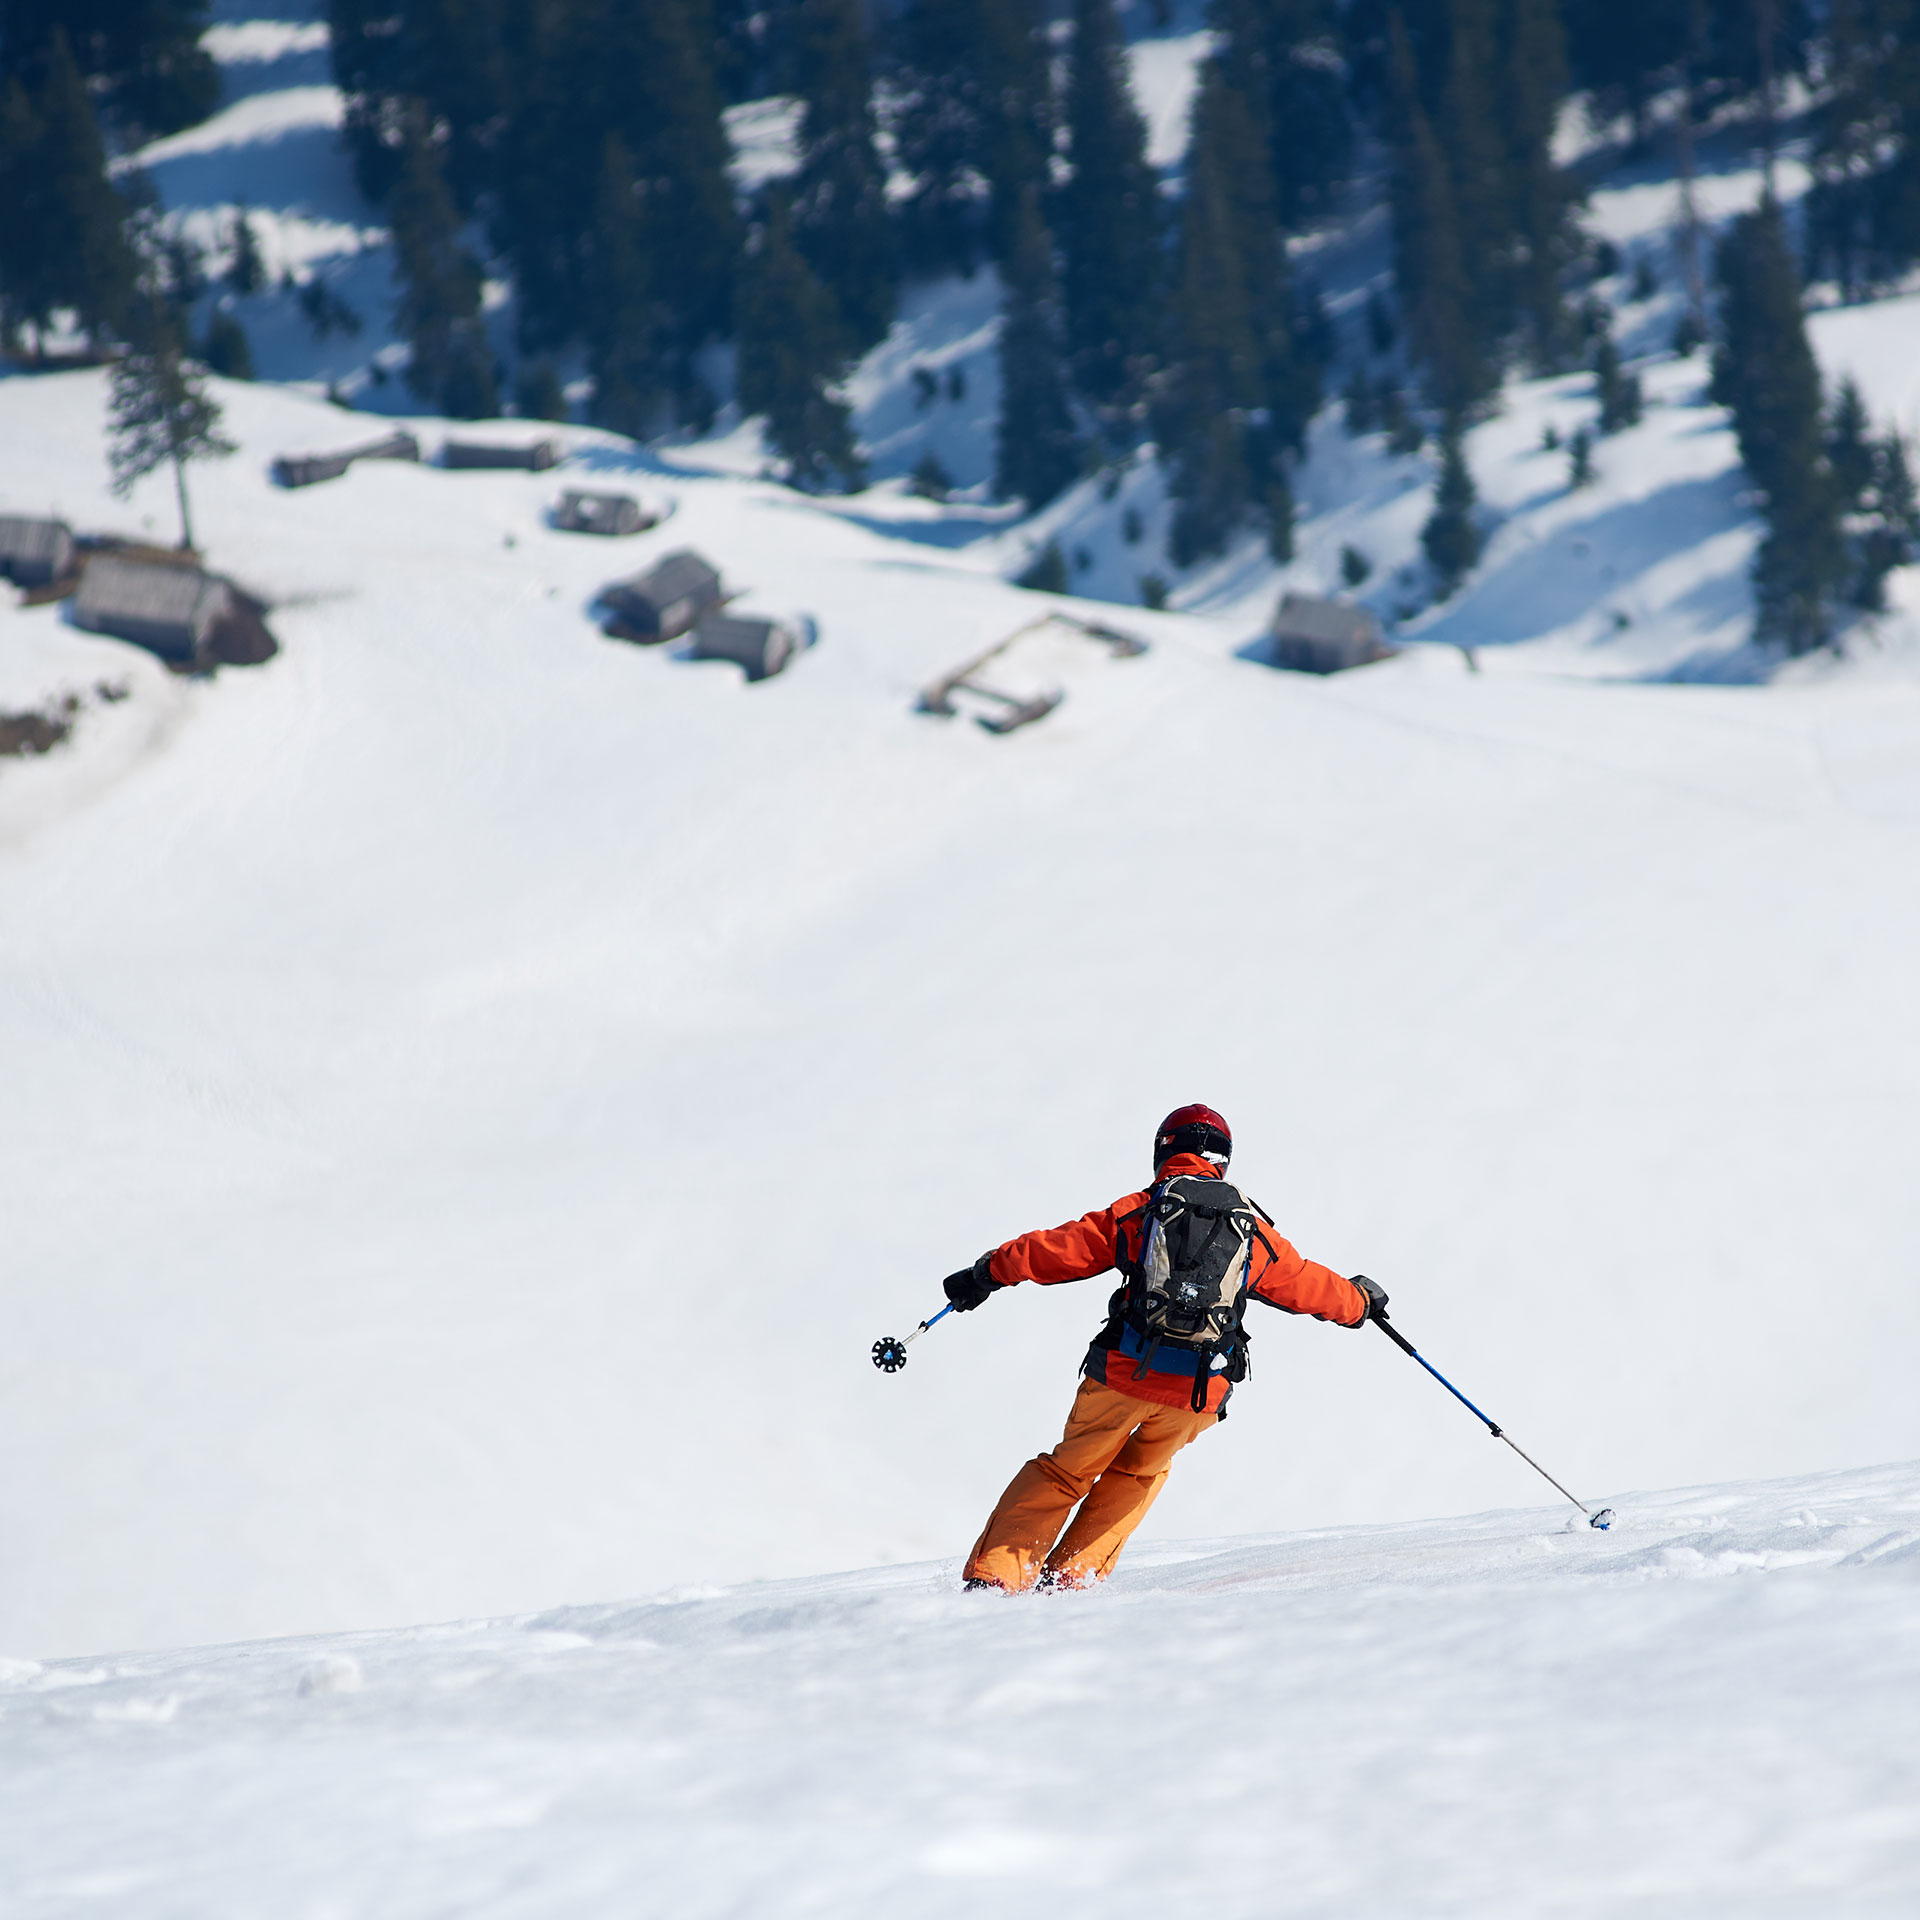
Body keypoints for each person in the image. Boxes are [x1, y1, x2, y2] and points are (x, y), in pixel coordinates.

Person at [943, 1104, 1386, 1593]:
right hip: (1197, 1391)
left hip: (1124, 1371)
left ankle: (997, 1578)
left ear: (1163, 1150)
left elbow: (1058, 1249)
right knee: (1137, 1475)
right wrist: (1360, 1301)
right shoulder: (1250, 1227)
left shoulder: (1141, 1210)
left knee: (1066, 1472)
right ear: (1223, 1160)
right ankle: (1070, 1581)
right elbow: (1305, 1283)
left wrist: (986, 1272)